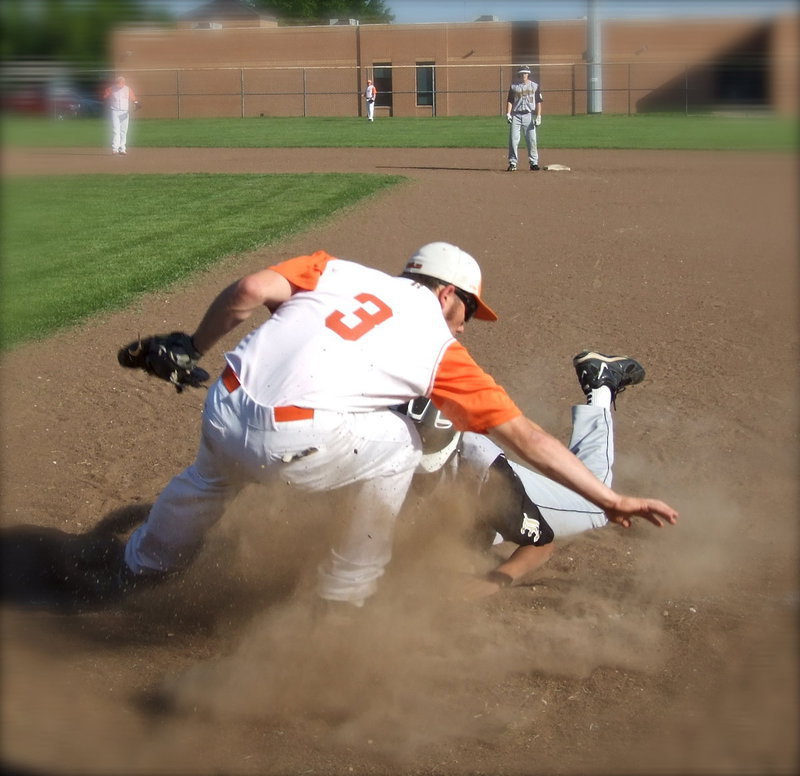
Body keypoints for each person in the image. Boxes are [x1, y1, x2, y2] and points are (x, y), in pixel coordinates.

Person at [115, 243, 677, 611]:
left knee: (208, 479)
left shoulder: (336, 271)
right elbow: (527, 437)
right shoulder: (437, 349)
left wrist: (190, 344)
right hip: (298, 441)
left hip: (224, 403)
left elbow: (248, 292)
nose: (466, 326)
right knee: (402, 444)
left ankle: (143, 564)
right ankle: (344, 600)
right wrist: (613, 500)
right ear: (446, 294)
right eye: (468, 312)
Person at [403, 352, 671, 598]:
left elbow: (542, 544)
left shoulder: (485, 478)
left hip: (489, 479)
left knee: (595, 505)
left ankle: (601, 383)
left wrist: (496, 580)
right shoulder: (375, 446)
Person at [506, 65, 543, 171]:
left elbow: (538, 102)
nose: (524, 75)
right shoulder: (514, 86)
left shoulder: (534, 86)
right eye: (522, 73)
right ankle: (513, 163)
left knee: (531, 139)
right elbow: (510, 101)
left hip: (528, 115)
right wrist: (508, 113)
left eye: (525, 73)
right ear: (519, 74)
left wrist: (539, 116)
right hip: (516, 115)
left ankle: (533, 163)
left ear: (528, 74)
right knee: (513, 140)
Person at [103, 75, 139, 155]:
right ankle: (115, 148)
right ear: (116, 83)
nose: (119, 86)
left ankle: (122, 148)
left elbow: (132, 97)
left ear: (124, 83)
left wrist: (136, 103)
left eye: (121, 84)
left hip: (124, 112)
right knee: (116, 130)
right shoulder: (111, 89)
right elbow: (105, 96)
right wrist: (106, 94)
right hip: (115, 111)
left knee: (124, 130)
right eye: (118, 84)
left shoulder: (127, 89)